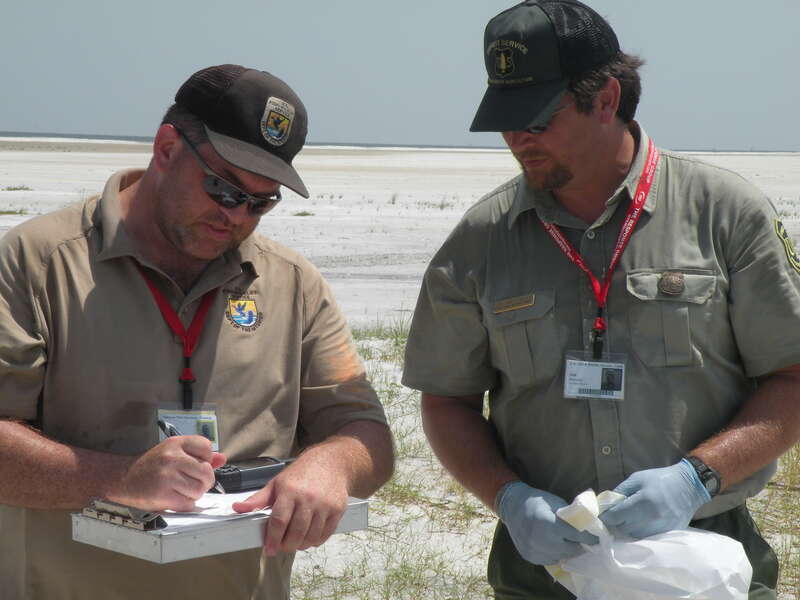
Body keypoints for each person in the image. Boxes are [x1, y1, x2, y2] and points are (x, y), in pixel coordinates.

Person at [402, 1, 800, 598]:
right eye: (505, 119)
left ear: (607, 98)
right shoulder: (482, 240)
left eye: (537, 117)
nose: (518, 139)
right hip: (543, 567)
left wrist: (698, 476)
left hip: (704, 555)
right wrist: (509, 498)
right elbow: (447, 400)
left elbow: (792, 378)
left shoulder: (726, 215)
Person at [0, 64, 394, 600]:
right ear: (166, 149)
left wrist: (332, 464)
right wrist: (119, 478)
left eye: (262, 202)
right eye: (225, 190)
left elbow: (365, 430)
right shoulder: (36, 263)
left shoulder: (293, 284)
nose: (237, 217)